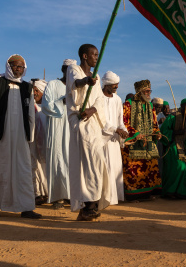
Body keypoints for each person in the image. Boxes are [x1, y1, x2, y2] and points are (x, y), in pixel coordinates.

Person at [0, 54, 41, 218]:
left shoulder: (27, 88)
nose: (18, 70)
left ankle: (26, 207)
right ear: (8, 66)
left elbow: (30, 116)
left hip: (20, 138)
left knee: (23, 170)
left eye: (21, 67)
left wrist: (29, 137)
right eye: (15, 66)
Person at [66, 44, 111, 221]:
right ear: (85, 56)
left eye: (98, 54)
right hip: (79, 121)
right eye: (94, 55)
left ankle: (91, 205)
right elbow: (75, 83)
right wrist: (86, 82)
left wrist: (92, 110)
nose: (96, 58)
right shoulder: (73, 68)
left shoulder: (96, 76)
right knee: (86, 164)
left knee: (96, 162)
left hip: (92, 121)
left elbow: (100, 99)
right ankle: (86, 207)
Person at [121, 79, 162, 201]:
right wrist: (135, 133)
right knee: (133, 170)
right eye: (147, 91)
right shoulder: (128, 104)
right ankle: (134, 195)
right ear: (140, 92)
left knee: (150, 169)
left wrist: (157, 133)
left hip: (148, 143)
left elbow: (155, 123)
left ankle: (148, 193)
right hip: (133, 143)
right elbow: (123, 122)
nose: (149, 93)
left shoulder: (150, 105)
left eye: (150, 91)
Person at [42, 60, 74, 209]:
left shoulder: (77, 87)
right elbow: (46, 105)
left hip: (72, 128)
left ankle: (72, 195)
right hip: (56, 128)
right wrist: (62, 102)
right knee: (57, 160)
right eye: (68, 69)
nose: (71, 72)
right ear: (63, 70)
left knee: (72, 160)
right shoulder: (53, 84)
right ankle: (57, 198)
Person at [159, 98, 186, 199]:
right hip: (172, 146)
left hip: (184, 146)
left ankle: (183, 192)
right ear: (182, 106)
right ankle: (171, 191)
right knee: (179, 166)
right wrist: (175, 133)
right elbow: (163, 132)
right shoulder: (173, 116)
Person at [101, 71, 128, 204]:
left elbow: (120, 121)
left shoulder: (117, 99)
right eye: (114, 85)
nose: (116, 87)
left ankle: (114, 197)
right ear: (106, 84)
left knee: (115, 167)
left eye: (117, 84)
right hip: (102, 140)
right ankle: (104, 198)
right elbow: (99, 120)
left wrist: (123, 130)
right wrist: (115, 129)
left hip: (114, 141)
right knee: (104, 168)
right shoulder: (98, 97)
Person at [31, 79, 48, 205]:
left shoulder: (48, 108)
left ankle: (48, 193)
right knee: (34, 168)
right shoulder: (32, 106)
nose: (34, 93)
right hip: (33, 143)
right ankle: (37, 194)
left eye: (37, 90)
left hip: (47, 145)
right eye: (33, 90)